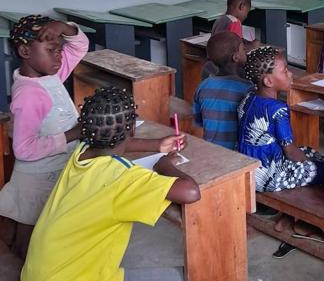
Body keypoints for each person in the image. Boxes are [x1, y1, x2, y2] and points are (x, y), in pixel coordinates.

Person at [21, 87, 201, 281]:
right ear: (131, 128)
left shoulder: (82, 152)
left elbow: (111, 143)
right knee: (173, 277)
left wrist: (157, 145)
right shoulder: (122, 178)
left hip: (38, 273)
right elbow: (190, 192)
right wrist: (164, 164)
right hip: (73, 277)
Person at [0, 15, 88, 259]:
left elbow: (79, 46)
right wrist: (74, 133)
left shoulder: (51, 75)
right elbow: (24, 149)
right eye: (51, 50)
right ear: (25, 50)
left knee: (41, 232)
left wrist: (65, 28)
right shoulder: (29, 94)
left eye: (60, 49)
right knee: (28, 241)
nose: (59, 56)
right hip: (37, 179)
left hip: (54, 171)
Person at [238, 46, 324, 192]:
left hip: (248, 165)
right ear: (268, 82)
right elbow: (290, 152)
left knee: (308, 151)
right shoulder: (278, 109)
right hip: (267, 175)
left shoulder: (248, 98)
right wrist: (309, 164)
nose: (290, 74)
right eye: (285, 71)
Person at [193, 32, 253, 150]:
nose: (245, 51)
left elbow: (199, 121)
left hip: (210, 150)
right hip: (237, 154)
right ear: (235, 57)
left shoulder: (203, 86)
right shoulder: (247, 89)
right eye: (243, 49)